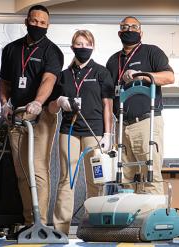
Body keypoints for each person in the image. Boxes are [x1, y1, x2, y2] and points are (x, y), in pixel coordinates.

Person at [0, 5, 64, 225]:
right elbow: (4, 83)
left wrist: (38, 102)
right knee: (21, 171)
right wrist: (4, 104)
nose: (38, 25)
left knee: (37, 168)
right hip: (15, 115)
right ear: (26, 21)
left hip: (41, 115)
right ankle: (29, 223)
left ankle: (41, 223)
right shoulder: (10, 49)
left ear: (48, 25)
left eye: (42, 23)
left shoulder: (52, 51)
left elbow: (49, 80)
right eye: (34, 21)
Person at [49, 30, 115, 235]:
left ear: (93, 47)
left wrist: (108, 134)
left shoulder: (102, 73)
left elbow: (108, 105)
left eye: (87, 44)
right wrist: (59, 102)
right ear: (72, 47)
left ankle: (93, 227)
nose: (83, 47)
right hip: (68, 131)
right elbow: (51, 108)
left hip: (94, 133)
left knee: (95, 181)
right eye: (79, 43)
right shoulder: (63, 75)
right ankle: (60, 230)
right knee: (66, 179)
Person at [106, 16, 174, 194]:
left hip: (146, 122)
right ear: (119, 32)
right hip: (122, 124)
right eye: (125, 27)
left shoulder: (152, 52)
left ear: (141, 32)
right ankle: (132, 220)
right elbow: (107, 95)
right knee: (125, 177)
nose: (129, 30)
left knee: (150, 175)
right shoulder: (113, 61)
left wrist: (141, 75)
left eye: (134, 27)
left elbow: (169, 77)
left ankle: (152, 219)